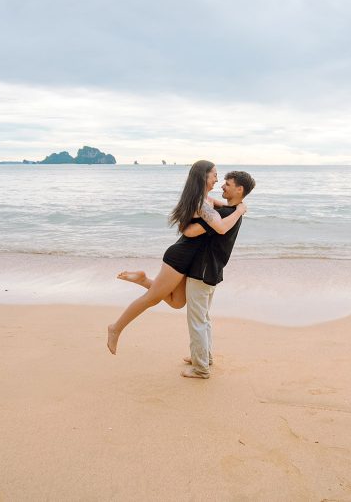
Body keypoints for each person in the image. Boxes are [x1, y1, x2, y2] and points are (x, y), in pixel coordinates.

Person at [106, 160, 246, 355]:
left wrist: (235, 206)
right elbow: (221, 227)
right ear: (203, 176)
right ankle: (115, 328)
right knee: (151, 299)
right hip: (179, 258)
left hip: (189, 260)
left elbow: (223, 209)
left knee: (178, 302)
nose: (216, 179)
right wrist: (240, 211)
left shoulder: (206, 199)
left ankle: (144, 279)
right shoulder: (200, 203)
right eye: (214, 174)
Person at [179, 170, 255, 379]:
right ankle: (203, 357)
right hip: (212, 270)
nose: (222, 186)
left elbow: (189, 231)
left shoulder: (224, 215)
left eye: (227, 184)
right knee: (203, 317)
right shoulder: (232, 212)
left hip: (202, 270)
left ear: (239, 189)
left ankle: (201, 368)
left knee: (197, 320)